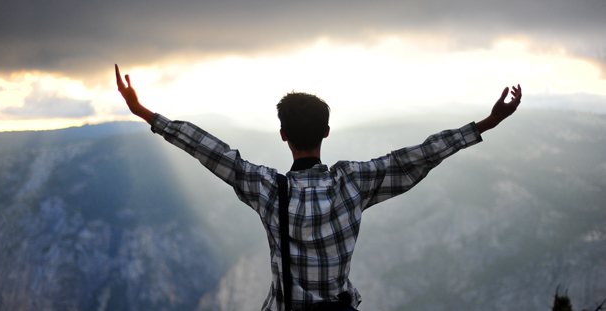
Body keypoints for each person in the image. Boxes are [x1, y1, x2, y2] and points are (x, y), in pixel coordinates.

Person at [115, 64, 522, 311]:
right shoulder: (353, 183)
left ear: (282, 135)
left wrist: (145, 113)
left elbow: (214, 152)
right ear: (327, 132)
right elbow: (417, 156)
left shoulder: (268, 190)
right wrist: (485, 124)